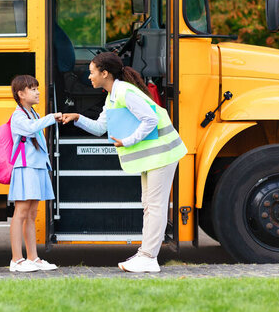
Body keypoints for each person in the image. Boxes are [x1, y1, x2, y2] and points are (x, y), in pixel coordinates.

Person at [62, 52, 187, 273]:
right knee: (149, 205)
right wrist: (78, 118)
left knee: (155, 206)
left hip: (163, 153)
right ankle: (145, 254)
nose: (89, 77)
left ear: (105, 73)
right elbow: (101, 128)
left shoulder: (125, 93)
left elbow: (150, 119)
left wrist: (128, 141)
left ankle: (149, 257)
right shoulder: (113, 95)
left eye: (92, 73)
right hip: (154, 155)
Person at [8, 75, 62, 272]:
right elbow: (31, 130)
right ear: (20, 94)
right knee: (21, 212)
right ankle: (16, 259)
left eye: (37, 88)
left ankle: (33, 257)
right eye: (32, 89)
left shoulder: (34, 114)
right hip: (25, 168)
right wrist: (52, 117)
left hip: (36, 167)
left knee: (31, 214)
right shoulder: (19, 116)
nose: (38, 92)